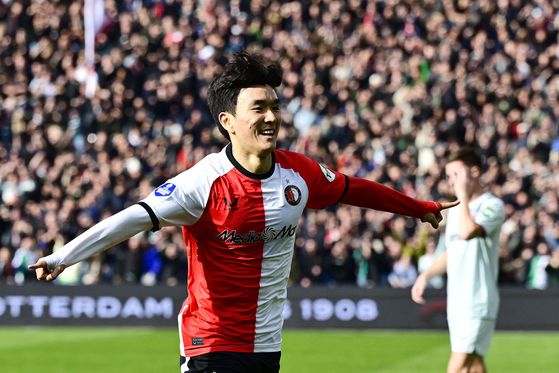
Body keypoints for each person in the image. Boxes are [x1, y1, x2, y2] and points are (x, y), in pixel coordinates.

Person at [30, 51, 458, 373]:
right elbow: (132, 218)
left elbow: (354, 189)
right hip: (209, 341)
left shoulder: (299, 171)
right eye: (259, 108)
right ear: (228, 121)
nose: (271, 117)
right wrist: (64, 255)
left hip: (266, 343)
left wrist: (419, 207)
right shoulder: (203, 182)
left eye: (275, 107)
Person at [411, 147, 505, 373]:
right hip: (458, 300)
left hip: (477, 299)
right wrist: (427, 275)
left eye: (456, 175)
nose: (452, 182)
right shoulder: (456, 211)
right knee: (474, 365)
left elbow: (467, 232)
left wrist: (462, 196)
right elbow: (454, 251)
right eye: (449, 176)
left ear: (473, 172)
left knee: (456, 368)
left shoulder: (492, 205)